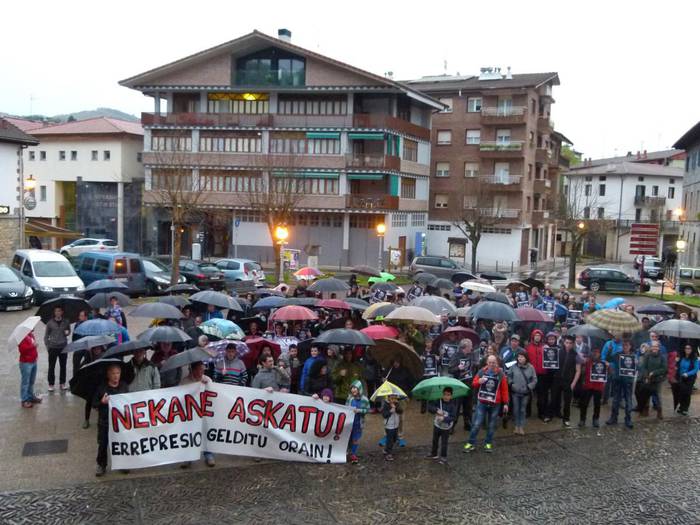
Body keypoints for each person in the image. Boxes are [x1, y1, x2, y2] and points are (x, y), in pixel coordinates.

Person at [463, 355, 509, 453]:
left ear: (497, 363)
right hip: (482, 402)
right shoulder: (481, 372)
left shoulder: (501, 374)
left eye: (494, 362)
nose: (492, 364)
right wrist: (479, 381)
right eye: (490, 362)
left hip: (495, 404)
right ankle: (471, 443)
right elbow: (474, 383)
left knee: (491, 425)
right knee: (476, 424)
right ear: (487, 362)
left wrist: (506, 403)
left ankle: (488, 444)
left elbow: (504, 389)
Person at [93, 363, 128, 476]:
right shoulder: (102, 388)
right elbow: (94, 404)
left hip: (120, 422)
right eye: (113, 373)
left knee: (121, 443)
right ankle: (101, 465)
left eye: (118, 373)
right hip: (105, 421)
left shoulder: (124, 386)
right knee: (103, 444)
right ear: (108, 374)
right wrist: (102, 402)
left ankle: (123, 464)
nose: (116, 375)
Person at [180, 361, 215, 468]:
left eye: (203, 369)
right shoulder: (185, 381)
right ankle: (188, 458)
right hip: (190, 413)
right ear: (193, 370)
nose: (202, 371)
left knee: (205, 432)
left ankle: (209, 455)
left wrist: (206, 385)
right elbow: (180, 396)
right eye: (199, 369)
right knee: (190, 434)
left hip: (204, 412)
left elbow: (214, 394)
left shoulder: (207, 379)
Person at [549, 335, 582, 427]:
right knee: (553, 398)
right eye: (566, 343)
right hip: (557, 379)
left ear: (573, 344)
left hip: (568, 381)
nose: (568, 345)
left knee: (567, 401)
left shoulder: (576, 355)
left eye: (570, 343)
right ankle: (550, 415)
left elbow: (578, 371)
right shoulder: (558, 352)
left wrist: (573, 383)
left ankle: (566, 418)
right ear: (564, 343)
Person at [607, 340, 636, 429]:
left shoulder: (633, 356)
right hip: (618, 380)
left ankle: (628, 419)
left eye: (627, 345)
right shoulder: (617, 354)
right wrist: (610, 350)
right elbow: (609, 359)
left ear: (630, 346)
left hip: (628, 381)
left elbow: (638, 368)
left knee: (628, 400)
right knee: (616, 400)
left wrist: (637, 363)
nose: (625, 347)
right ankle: (613, 417)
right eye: (623, 345)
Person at [506, 351, 537, 435]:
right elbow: (509, 376)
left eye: (522, 357)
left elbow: (534, 379)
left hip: (525, 393)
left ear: (526, 358)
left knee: (523, 410)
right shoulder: (513, 366)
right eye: (519, 357)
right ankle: (516, 426)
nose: (520, 358)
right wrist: (511, 384)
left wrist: (529, 386)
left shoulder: (531, 367)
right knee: (516, 410)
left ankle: (521, 426)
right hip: (515, 392)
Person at [448, 338, 475, 432]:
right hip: (459, 386)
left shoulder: (472, 355)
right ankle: (452, 426)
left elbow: (474, 367)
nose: (472, 348)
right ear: (466, 347)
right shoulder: (456, 356)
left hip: (469, 385)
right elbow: (450, 369)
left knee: (468, 407)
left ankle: (468, 424)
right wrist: (458, 368)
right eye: (470, 346)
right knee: (456, 407)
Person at [637, 341, 668, 419]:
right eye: (653, 346)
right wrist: (647, 375)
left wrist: (654, 373)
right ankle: (645, 410)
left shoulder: (662, 357)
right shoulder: (647, 355)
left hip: (657, 380)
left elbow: (664, 369)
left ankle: (659, 411)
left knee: (657, 395)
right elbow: (644, 367)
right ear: (651, 347)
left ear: (659, 347)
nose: (654, 348)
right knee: (646, 395)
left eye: (656, 346)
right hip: (648, 379)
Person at [427, 387, 457, 464]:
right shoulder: (438, 401)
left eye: (448, 395)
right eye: (445, 395)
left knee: (444, 443)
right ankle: (434, 454)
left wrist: (444, 418)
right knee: (435, 440)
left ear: (451, 396)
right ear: (442, 395)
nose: (446, 397)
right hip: (437, 425)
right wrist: (436, 410)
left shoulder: (452, 406)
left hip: (446, 428)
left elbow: (453, 417)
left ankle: (443, 457)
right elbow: (429, 407)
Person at [578, 347, 607, 428]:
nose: (595, 354)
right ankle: (582, 419)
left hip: (598, 387)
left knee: (597, 404)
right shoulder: (587, 361)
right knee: (584, 404)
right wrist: (583, 363)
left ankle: (596, 419)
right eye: (594, 352)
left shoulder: (603, 362)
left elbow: (609, 373)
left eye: (597, 352)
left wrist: (608, 366)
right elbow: (581, 371)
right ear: (591, 353)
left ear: (600, 354)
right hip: (587, 385)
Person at [44, 306, 71, 392]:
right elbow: (46, 336)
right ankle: (51, 384)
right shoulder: (50, 323)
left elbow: (68, 331)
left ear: (62, 312)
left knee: (63, 366)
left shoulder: (66, 322)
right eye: (56, 311)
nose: (58, 313)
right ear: (54, 313)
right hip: (53, 347)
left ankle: (62, 383)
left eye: (59, 311)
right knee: (51, 366)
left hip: (63, 347)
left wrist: (67, 333)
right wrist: (48, 346)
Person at [345, 380, 370, 464]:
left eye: (355, 388)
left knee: (355, 439)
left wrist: (359, 410)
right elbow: (345, 407)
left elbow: (367, 410)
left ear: (359, 389)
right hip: (349, 423)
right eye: (352, 388)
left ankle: (353, 454)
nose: (353, 390)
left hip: (358, 423)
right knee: (348, 438)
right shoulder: (350, 398)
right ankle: (348, 451)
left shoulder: (364, 399)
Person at [18, 329, 41, 408]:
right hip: (25, 363)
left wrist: (36, 354)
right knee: (25, 382)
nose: (33, 328)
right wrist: (33, 346)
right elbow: (22, 350)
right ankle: (24, 400)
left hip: (33, 361)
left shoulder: (30, 335)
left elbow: (33, 347)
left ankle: (30, 397)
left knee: (31, 381)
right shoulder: (21, 337)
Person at [674, 344, 698, 415]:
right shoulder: (681, 357)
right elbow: (677, 366)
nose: (687, 350)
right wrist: (676, 363)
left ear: (692, 350)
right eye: (686, 348)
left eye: (689, 348)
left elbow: (696, 369)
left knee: (687, 393)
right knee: (681, 393)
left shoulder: (694, 358)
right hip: (681, 378)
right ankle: (681, 407)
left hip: (690, 378)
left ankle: (685, 408)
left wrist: (688, 374)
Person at [419, 338, 440, 413]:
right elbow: (418, 362)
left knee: (432, 389)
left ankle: (431, 407)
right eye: (427, 342)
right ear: (425, 343)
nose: (429, 344)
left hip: (433, 373)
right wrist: (420, 359)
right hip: (424, 373)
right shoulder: (422, 351)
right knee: (424, 389)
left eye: (430, 342)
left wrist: (438, 359)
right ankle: (423, 407)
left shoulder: (435, 351)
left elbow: (439, 362)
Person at [381, 393, 403, 461]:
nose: (393, 400)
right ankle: (388, 454)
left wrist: (396, 406)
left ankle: (386, 449)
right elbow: (384, 415)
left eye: (395, 398)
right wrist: (390, 411)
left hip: (396, 425)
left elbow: (401, 411)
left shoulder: (397, 404)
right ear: (388, 398)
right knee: (390, 439)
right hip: (389, 425)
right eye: (392, 398)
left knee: (394, 439)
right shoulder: (386, 405)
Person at [71, 310, 89, 379]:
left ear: (86, 317)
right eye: (79, 316)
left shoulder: (90, 325)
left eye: (82, 316)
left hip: (87, 347)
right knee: (75, 365)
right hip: (79, 347)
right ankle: (75, 380)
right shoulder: (77, 324)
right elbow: (74, 336)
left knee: (87, 363)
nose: (80, 317)